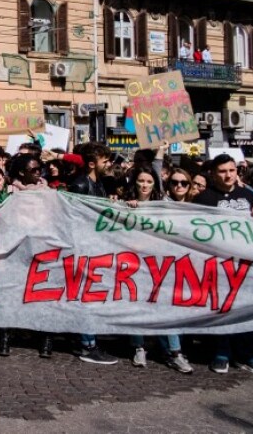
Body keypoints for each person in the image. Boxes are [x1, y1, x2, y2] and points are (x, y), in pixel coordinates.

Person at [193, 154, 253, 377]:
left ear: (237, 172)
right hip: (219, 264)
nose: (228, 175)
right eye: (222, 171)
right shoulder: (203, 198)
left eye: (231, 170)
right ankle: (222, 352)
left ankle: (250, 355)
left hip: (247, 264)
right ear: (213, 174)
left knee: (248, 309)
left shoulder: (248, 195)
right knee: (222, 309)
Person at [123, 167, 193, 373]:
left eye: (149, 182)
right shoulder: (125, 203)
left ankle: (174, 352)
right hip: (134, 263)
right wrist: (126, 207)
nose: (144, 185)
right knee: (136, 305)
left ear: (155, 184)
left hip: (160, 263)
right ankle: (139, 347)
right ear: (134, 182)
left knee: (165, 307)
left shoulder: (164, 205)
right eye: (141, 181)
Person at [67, 143, 119, 365]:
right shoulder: (79, 185)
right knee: (85, 297)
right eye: (104, 161)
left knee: (92, 296)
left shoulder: (100, 184)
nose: (108, 164)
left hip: (95, 247)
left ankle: (89, 340)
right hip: (82, 248)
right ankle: (87, 345)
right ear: (91, 164)